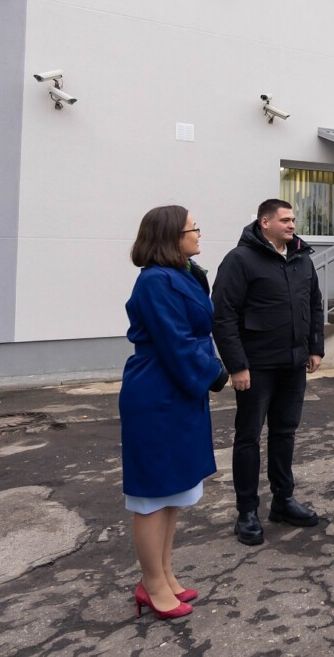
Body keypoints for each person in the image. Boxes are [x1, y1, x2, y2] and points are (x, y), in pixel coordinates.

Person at [119, 205, 228, 621]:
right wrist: (214, 373)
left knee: (173, 492)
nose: (199, 234)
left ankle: (163, 573)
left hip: (178, 389)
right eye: (192, 229)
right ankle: (151, 584)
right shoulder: (154, 281)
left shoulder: (179, 274)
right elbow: (176, 340)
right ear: (170, 236)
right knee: (152, 495)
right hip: (158, 392)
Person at [212, 199, 325, 546]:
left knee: (284, 433)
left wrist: (315, 347)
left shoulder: (302, 258)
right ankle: (247, 511)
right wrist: (237, 364)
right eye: (285, 220)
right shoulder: (240, 260)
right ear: (265, 222)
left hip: (293, 363)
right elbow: (223, 314)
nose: (292, 225)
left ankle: (283, 500)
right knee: (248, 437)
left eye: (293, 220)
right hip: (256, 367)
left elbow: (315, 302)